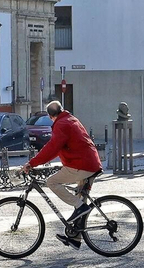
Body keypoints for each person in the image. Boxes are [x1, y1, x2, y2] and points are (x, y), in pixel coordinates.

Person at [24, 100, 103, 247]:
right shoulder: (70, 119)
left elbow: (52, 148)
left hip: (82, 165)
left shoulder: (61, 125)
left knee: (52, 182)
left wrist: (32, 163)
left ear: (50, 116)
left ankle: (81, 207)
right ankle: (75, 238)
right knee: (79, 199)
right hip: (90, 162)